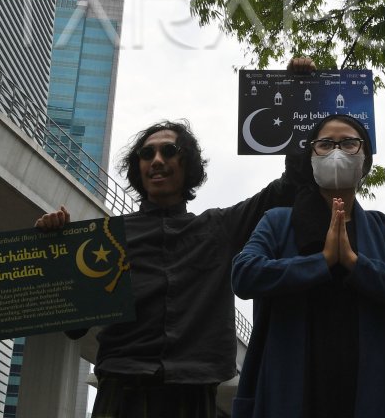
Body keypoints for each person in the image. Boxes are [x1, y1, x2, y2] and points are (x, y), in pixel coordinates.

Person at [35, 117, 301, 418]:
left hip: (192, 391)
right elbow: (74, 327)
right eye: (147, 154)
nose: (157, 161)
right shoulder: (107, 237)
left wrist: (297, 97)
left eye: (169, 151)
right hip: (120, 391)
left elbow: (290, 187)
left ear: (188, 164)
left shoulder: (219, 228)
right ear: (138, 168)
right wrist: (54, 253)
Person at [230, 114, 385, 418]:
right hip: (291, 393)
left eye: (349, 143)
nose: (337, 151)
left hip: (373, 394)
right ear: (311, 159)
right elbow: (243, 274)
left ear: (365, 159)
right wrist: (322, 261)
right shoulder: (277, 221)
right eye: (325, 144)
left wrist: (355, 264)